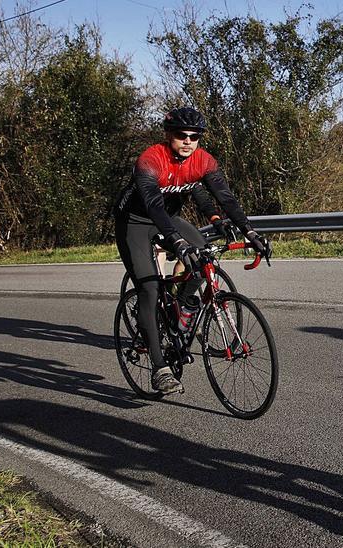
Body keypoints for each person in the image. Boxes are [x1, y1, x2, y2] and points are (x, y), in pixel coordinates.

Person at [115, 107, 271, 395]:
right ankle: (160, 369)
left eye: (195, 136)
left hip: (168, 219)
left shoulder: (203, 161)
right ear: (168, 135)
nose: (188, 141)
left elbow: (225, 197)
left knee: (203, 254)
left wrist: (250, 232)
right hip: (135, 222)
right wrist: (175, 240)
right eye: (181, 135)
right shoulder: (151, 160)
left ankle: (184, 305)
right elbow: (152, 204)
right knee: (149, 289)